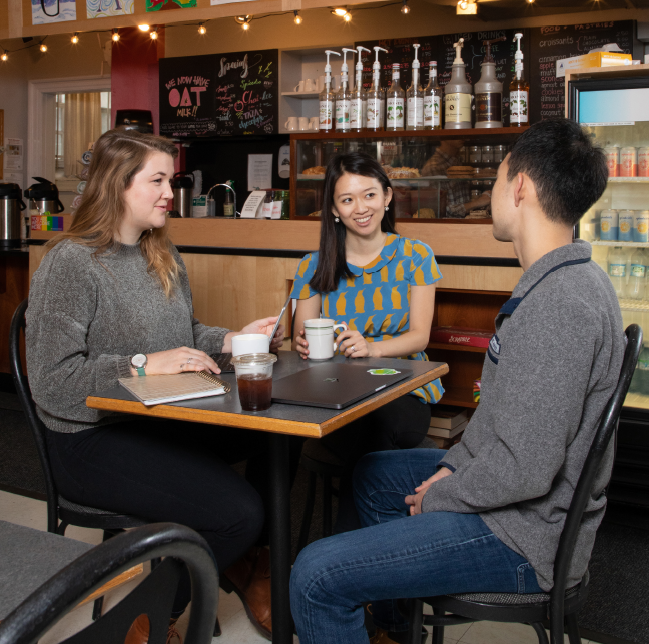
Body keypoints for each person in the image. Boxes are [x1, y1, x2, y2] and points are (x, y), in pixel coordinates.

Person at [290, 118, 623, 644]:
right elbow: (508, 436)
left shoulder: (560, 307)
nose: (489, 193)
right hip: (524, 502)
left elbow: (526, 471)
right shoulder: (570, 279)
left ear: (520, 188)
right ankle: (398, 629)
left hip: (525, 539)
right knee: (374, 476)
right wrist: (452, 468)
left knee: (315, 574)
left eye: (495, 181)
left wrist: (444, 494)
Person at [26, 128, 291, 642]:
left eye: (171, 179)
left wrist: (235, 340)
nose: (172, 192)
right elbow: (52, 382)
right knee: (240, 513)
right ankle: (150, 619)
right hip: (88, 438)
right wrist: (145, 365)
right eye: (159, 180)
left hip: (158, 419)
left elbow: (184, 337)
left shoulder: (160, 252)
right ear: (118, 185)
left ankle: (245, 559)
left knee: (279, 429)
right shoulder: (71, 263)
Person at [291, 152, 444, 532]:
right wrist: (303, 344)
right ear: (333, 209)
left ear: (388, 197)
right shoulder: (313, 264)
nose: (361, 208)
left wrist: (373, 348)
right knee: (362, 441)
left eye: (370, 195)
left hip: (403, 391)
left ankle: (342, 561)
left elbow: (419, 336)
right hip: (333, 394)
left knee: (373, 433)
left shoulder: (415, 256)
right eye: (347, 199)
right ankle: (373, 563)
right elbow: (302, 336)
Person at [421, 138, 491, 217]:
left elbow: (460, 201)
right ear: (442, 137)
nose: (462, 137)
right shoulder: (434, 167)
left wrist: (484, 198)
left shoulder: (456, 161)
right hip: (447, 227)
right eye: (455, 131)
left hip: (462, 224)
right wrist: (478, 202)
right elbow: (437, 210)